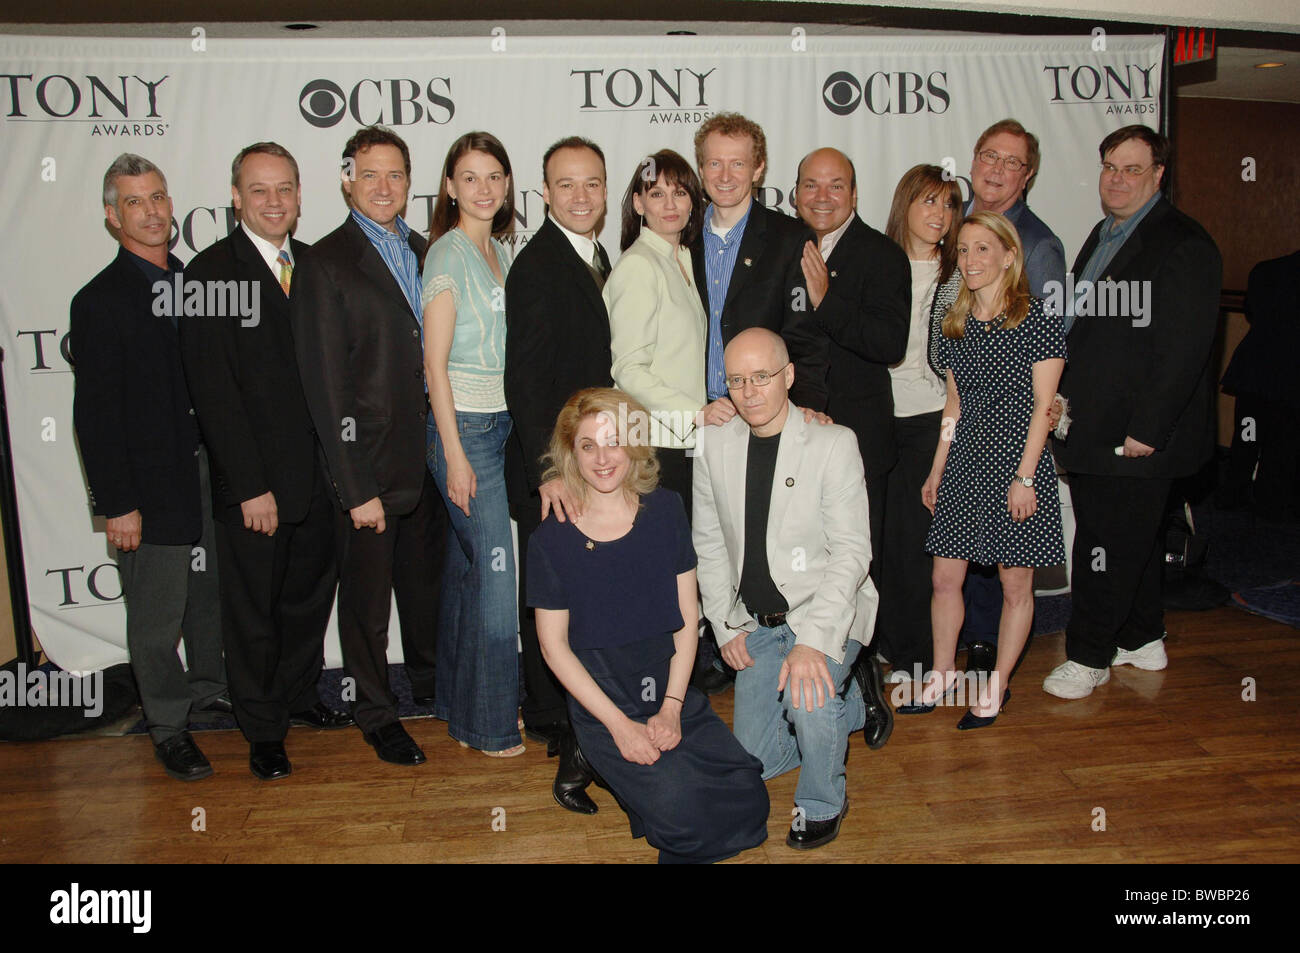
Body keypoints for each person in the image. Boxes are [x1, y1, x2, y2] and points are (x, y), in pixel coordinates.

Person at [528, 388, 769, 863]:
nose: (602, 459)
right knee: (686, 819)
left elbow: (687, 620)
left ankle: (653, 789)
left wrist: (673, 707)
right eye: (588, 446)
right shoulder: (550, 538)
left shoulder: (666, 510)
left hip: (668, 685)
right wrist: (619, 727)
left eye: (614, 441)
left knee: (749, 799)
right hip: (604, 701)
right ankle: (613, 769)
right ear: (570, 455)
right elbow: (554, 649)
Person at [180, 142, 350, 782]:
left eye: (284, 189)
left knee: (307, 603)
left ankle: (300, 698)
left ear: (301, 196)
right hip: (256, 490)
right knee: (252, 615)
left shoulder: (316, 266)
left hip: (322, 482)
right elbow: (213, 393)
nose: (274, 201)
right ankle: (262, 729)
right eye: (259, 190)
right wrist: (249, 486)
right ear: (235, 197)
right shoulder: (206, 276)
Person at [1045, 125, 1222, 699]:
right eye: (1110, 167)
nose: (1117, 179)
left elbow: (1186, 349)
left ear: (1159, 175)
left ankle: (1088, 656)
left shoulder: (1183, 243)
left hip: (1137, 435)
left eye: (1132, 169)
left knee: (1104, 542)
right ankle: (1143, 638)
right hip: (1094, 424)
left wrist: (1147, 428)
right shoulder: (1106, 232)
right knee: (1134, 540)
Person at [291, 125, 450, 766]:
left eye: (396, 175)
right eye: (370, 174)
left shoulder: (427, 248)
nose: (384, 187)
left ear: (410, 184)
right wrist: (354, 488)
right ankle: (377, 713)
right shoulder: (325, 262)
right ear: (345, 179)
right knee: (366, 608)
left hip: (431, 460)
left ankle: (436, 687)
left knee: (425, 590)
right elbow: (325, 388)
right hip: (368, 470)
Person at [70, 153, 226, 780]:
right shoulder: (99, 301)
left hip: (212, 476)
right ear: (113, 217)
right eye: (135, 202)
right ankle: (167, 724)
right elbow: (96, 416)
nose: (152, 211)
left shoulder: (197, 284)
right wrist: (117, 503)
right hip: (149, 487)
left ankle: (212, 689)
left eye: (158, 197)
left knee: (210, 598)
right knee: (157, 614)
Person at [694, 327, 878, 850]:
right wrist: (724, 623)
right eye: (736, 380)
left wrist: (814, 642)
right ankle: (858, 703)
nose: (749, 391)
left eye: (762, 377)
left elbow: (851, 555)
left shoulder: (833, 443)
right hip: (757, 621)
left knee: (809, 696)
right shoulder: (713, 445)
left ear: (789, 376)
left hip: (824, 610)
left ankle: (822, 802)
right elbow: (707, 542)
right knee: (756, 759)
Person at [921, 211, 1066, 728]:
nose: (970, 260)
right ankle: (941, 673)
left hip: (1016, 466)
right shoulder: (955, 321)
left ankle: (998, 683)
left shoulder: (1037, 319)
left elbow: (1043, 409)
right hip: (964, 464)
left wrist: (1025, 478)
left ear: (1009, 255)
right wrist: (938, 469)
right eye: (963, 250)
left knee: (1014, 586)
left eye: (983, 249)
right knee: (944, 578)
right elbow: (952, 409)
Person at [504, 136, 614, 799]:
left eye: (592, 183)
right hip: (557, 469)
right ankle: (559, 724)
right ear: (545, 194)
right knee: (554, 597)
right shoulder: (538, 264)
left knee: (580, 596)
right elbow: (526, 380)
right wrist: (550, 469)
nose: (581, 196)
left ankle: (566, 719)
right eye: (567, 185)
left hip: (595, 461)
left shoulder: (599, 257)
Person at [690, 112, 815, 693]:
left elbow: (806, 335)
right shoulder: (678, 235)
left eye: (738, 162)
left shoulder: (790, 238)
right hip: (694, 420)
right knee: (705, 539)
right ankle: (718, 644)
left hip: (763, 420)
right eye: (714, 161)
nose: (725, 173)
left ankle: (812, 656)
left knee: (770, 538)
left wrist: (799, 403)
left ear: (759, 168)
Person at [422, 131, 522, 756]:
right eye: (470, 176)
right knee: (496, 579)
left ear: (507, 185)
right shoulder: (447, 255)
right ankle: (489, 725)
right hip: (464, 430)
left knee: (467, 573)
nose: (483, 188)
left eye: (494, 176)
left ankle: (454, 707)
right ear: (451, 186)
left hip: (500, 424)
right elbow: (433, 365)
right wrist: (455, 454)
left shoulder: (501, 253)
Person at [959, 119, 1070, 674]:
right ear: (973, 161)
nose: (996, 169)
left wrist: (1026, 469)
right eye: (988, 156)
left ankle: (988, 656)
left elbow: (1045, 367)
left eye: (1011, 162)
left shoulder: (1039, 245)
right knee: (960, 552)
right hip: (957, 411)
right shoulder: (950, 224)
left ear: (1027, 176)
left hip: (1008, 430)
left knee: (1007, 562)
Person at [877, 164, 963, 698]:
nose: (939, 214)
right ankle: (887, 644)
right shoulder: (876, 263)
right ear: (905, 204)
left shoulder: (962, 270)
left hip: (933, 419)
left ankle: (917, 655)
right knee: (878, 541)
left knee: (915, 544)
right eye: (929, 201)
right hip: (876, 418)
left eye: (949, 204)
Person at [605, 149, 707, 515]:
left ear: (693, 202)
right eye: (656, 193)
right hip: (652, 442)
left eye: (679, 192)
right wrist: (697, 412)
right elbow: (628, 369)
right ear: (638, 202)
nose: (670, 204)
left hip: (681, 440)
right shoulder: (638, 265)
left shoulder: (683, 259)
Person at [1219, 250, 1300, 520]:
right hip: (1287, 376)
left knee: (1247, 435)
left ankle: (1233, 491)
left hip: (1254, 371)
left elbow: (1251, 310)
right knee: (1281, 441)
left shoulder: (1265, 269)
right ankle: (1269, 501)